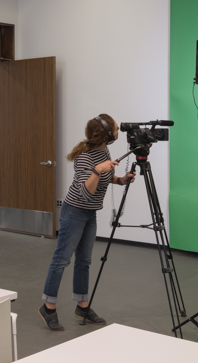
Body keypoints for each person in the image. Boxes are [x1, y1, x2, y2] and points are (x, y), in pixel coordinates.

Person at [39, 114, 135, 331]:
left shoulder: (104, 151)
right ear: (106, 133)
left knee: (84, 261)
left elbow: (104, 176)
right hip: (75, 211)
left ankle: (82, 306)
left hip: (90, 213)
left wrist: (119, 180)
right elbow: (85, 192)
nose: (119, 131)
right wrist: (97, 169)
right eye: (116, 129)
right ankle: (48, 307)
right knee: (62, 260)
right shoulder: (84, 158)